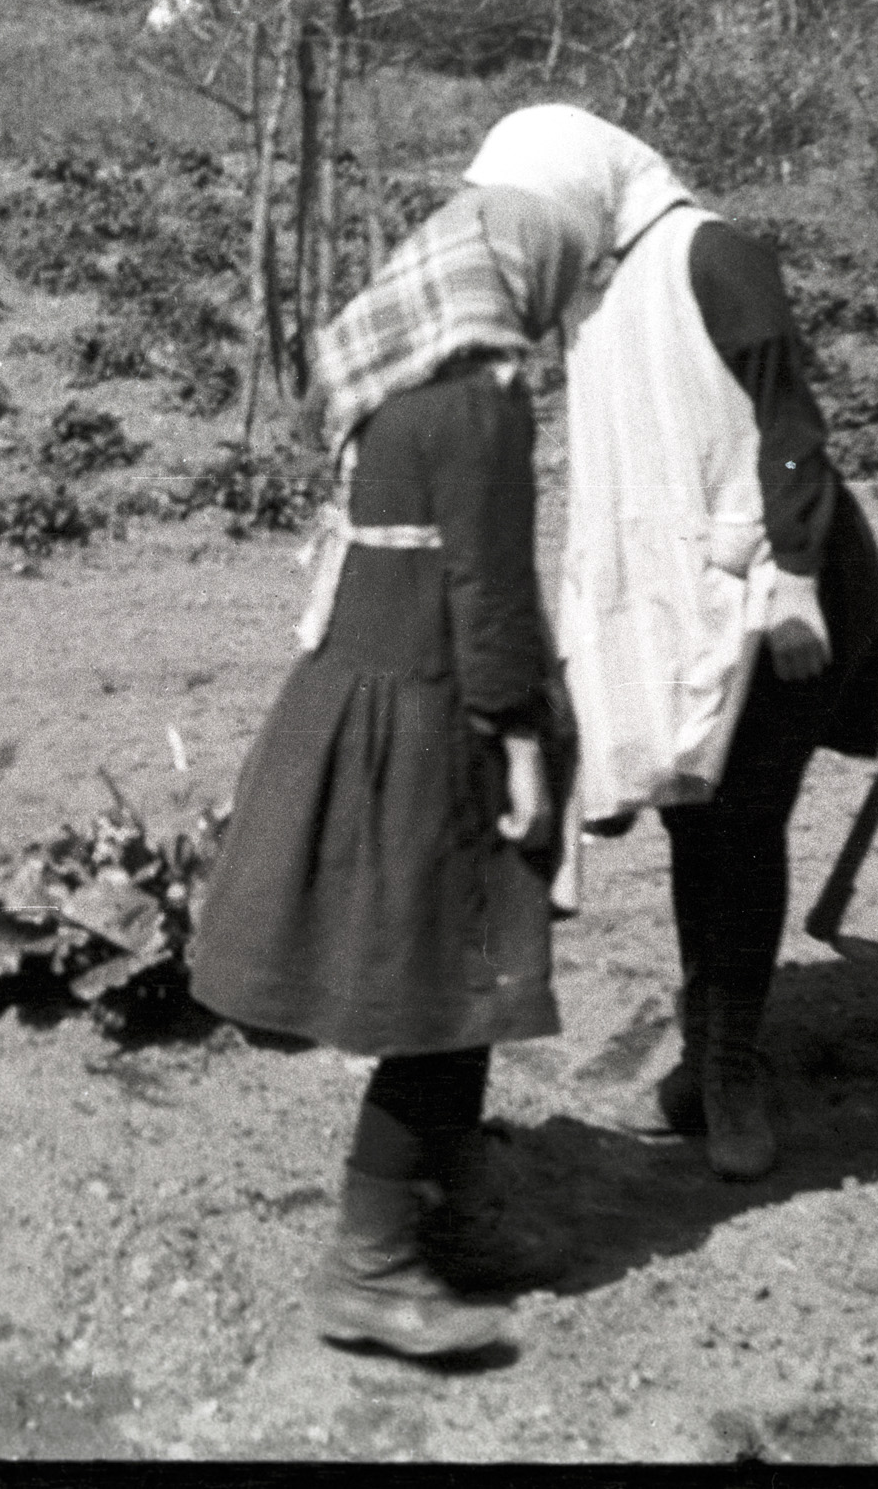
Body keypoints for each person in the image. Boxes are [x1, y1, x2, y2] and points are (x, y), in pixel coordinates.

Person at [188, 185, 586, 1365]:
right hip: (432, 720)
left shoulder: (393, 381)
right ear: (523, 277)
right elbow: (492, 590)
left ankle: (447, 1212)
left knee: (450, 978)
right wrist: (519, 737)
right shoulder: (482, 402)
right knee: (438, 980)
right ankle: (371, 1262)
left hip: (363, 699)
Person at [459, 105, 878, 1183]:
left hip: (775, 591)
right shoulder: (598, 283)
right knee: (694, 829)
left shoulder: (712, 254)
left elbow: (792, 427)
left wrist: (791, 581)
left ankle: (733, 1072)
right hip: (677, 590)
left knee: (740, 830)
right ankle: (708, 1059)